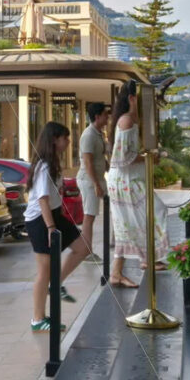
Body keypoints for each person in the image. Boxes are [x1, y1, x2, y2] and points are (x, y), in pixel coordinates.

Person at [24, 121, 89, 332]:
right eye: (65, 138)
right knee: (43, 269)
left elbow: (52, 197)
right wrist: (51, 227)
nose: (68, 141)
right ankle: (37, 319)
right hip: (41, 220)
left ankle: (56, 283)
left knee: (83, 248)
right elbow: (42, 199)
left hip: (53, 215)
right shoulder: (43, 165)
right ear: (54, 140)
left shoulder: (53, 163)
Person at [107, 80, 169, 287]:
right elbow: (120, 157)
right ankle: (140, 261)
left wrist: (148, 155)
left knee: (133, 222)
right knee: (145, 215)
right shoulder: (126, 121)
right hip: (124, 180)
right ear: (133, 98)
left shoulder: (132, 120)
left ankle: (142, 260)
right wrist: (148, 157)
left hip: (129, 179)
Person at [77, 102, 109, 263]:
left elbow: (100, 157)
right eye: (105, 114)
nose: (107, 117)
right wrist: (96, 185)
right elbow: (88, 162)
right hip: (89, 180)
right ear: (97, 116)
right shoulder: (88, 135)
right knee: (89, 216)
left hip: (99, 178)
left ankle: (114, 242)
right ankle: (86, 252)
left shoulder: (99, 134)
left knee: (110, 205)